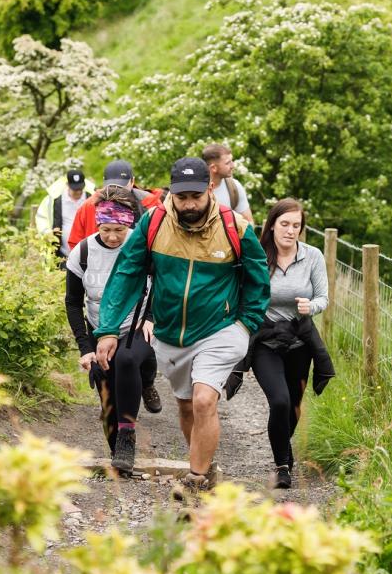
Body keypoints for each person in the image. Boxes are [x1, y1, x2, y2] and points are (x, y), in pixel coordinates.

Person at [94, 157, 270, 503]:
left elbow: (257, 280)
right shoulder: (154, 223)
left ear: (210, 189)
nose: (189, 204)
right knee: (187, 406)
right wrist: (109, 329)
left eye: (195, 196)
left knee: (205, 399)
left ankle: (196, 480)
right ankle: (203, 462)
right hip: (171, 333)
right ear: (172, 194)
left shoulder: (236, 228)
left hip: (221, 328)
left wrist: (246, 324)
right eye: (181, 197)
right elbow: (127, 273)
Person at [65, 186, 156, 473]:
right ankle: (120, 452)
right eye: (106, 229)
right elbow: (72, 303)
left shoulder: (141, 249)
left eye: (118, 229)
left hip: (135, 326)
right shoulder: (82, 253)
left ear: (129, 224)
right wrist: (86, 349)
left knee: (126, 360)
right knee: (107, 397)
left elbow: (161, 284)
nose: (113, 236)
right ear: (97, 224)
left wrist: (151, 317)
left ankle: (128, 436)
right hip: (98, 328)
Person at [247, 199, 334, 489]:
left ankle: (283, 446)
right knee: (280, 401)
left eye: (296, 225)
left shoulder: (312, 256)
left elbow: (323, 296)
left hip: (300, 341)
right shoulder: (257, 256)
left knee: (293, 407)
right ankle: (282, 464)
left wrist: (313, 306)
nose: (290, 230)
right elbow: (241, 294)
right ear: (272, 224)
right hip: (266, 340)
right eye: (284, 224)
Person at [66, 159, 163, 252]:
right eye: (112, 186)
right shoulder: (88, 207)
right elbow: (75, 243)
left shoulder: (150, 204)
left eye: (121, 186)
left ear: (132, 181)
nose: (116, 191)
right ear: (104, 182)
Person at [35, 168, 94, 258]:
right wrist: (48, 233)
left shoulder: (91, 199)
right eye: (75, 190)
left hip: (87, 253)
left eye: (80, 189)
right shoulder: (54, 200)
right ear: (67, 185)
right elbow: (41, 218)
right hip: (62, 253)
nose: (78, 192)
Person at [202, 143, 253, 223]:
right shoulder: (196, 189)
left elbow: (248, 222)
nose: (233, 165)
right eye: (227, 163)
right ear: (213, 168)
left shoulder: (234, 187)